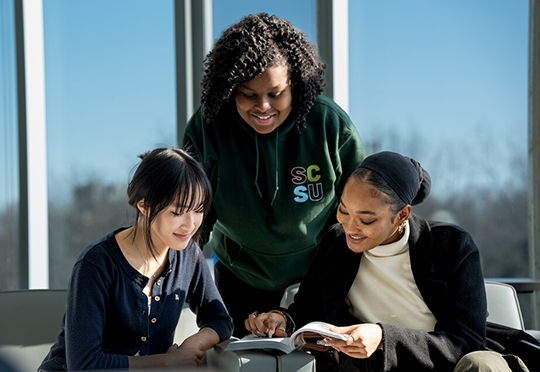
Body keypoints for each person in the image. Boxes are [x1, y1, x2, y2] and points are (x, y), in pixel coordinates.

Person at [245, 151, 526, 371]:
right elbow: (307, 309)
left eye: (367, 219)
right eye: (343, 211)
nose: (350, 227)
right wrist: (280, 318)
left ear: (402, 215)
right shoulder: (336, 242)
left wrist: (383, 338)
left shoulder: (451, 244)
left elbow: (466, 343)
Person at [181, 12, 367, 337]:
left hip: (317, 275)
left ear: (294, 83)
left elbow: (365, 205)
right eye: (248, 95)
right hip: (240, 275)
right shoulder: (208, 125)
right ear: (229, 89)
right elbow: (194, 213)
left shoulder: (329, 124)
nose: (263, 107)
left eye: (275, 93)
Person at [38, 148, 233, 371]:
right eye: (178, 212)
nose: (190, 225)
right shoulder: (96, 264)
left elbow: (221, 320)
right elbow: (84, 365)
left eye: (198, 210)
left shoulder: (188, 255)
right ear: (144, 205)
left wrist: (190, 347)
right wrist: (166, 362)